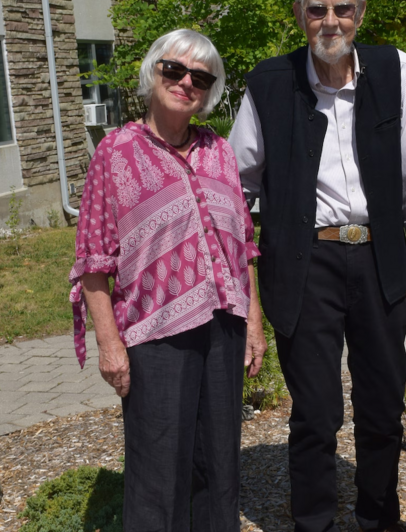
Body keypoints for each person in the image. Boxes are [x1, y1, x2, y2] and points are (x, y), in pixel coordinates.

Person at [228, 1, 406, 530]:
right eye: (316, 8)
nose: (330, 21)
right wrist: (241, 281)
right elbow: (235, 188)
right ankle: (314, 523)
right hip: (305, 264)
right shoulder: (269, 83)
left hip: (379, 258)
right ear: (298, 14)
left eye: (342, 8)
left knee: (382, 406)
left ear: (360, 13)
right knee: (316, 415)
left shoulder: (394, 69)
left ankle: (379, 519)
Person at [68, 29, 267, 531]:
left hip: (224, 327)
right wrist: (109, 345)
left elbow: (244, 245)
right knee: (158, 474)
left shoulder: (219, 151)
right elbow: (93, 261)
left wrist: (253, 321)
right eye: (174, 70)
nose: (186, 83)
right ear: (152, 71)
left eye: (201, 77)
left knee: (220, 467)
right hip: (155, 335)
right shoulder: (115, 152)